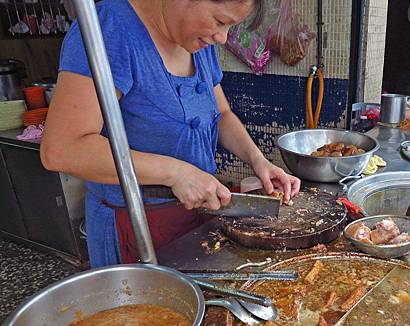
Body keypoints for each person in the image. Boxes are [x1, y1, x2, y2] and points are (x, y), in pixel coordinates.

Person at [41, 0, 300, 268]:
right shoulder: (110, 28)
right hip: (135, 226)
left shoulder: (197, 42)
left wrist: (259, 161)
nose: (222, 38)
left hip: (192, 218)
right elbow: (62, 149)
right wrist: (176, 173)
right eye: (220, 22)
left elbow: (221, 113)